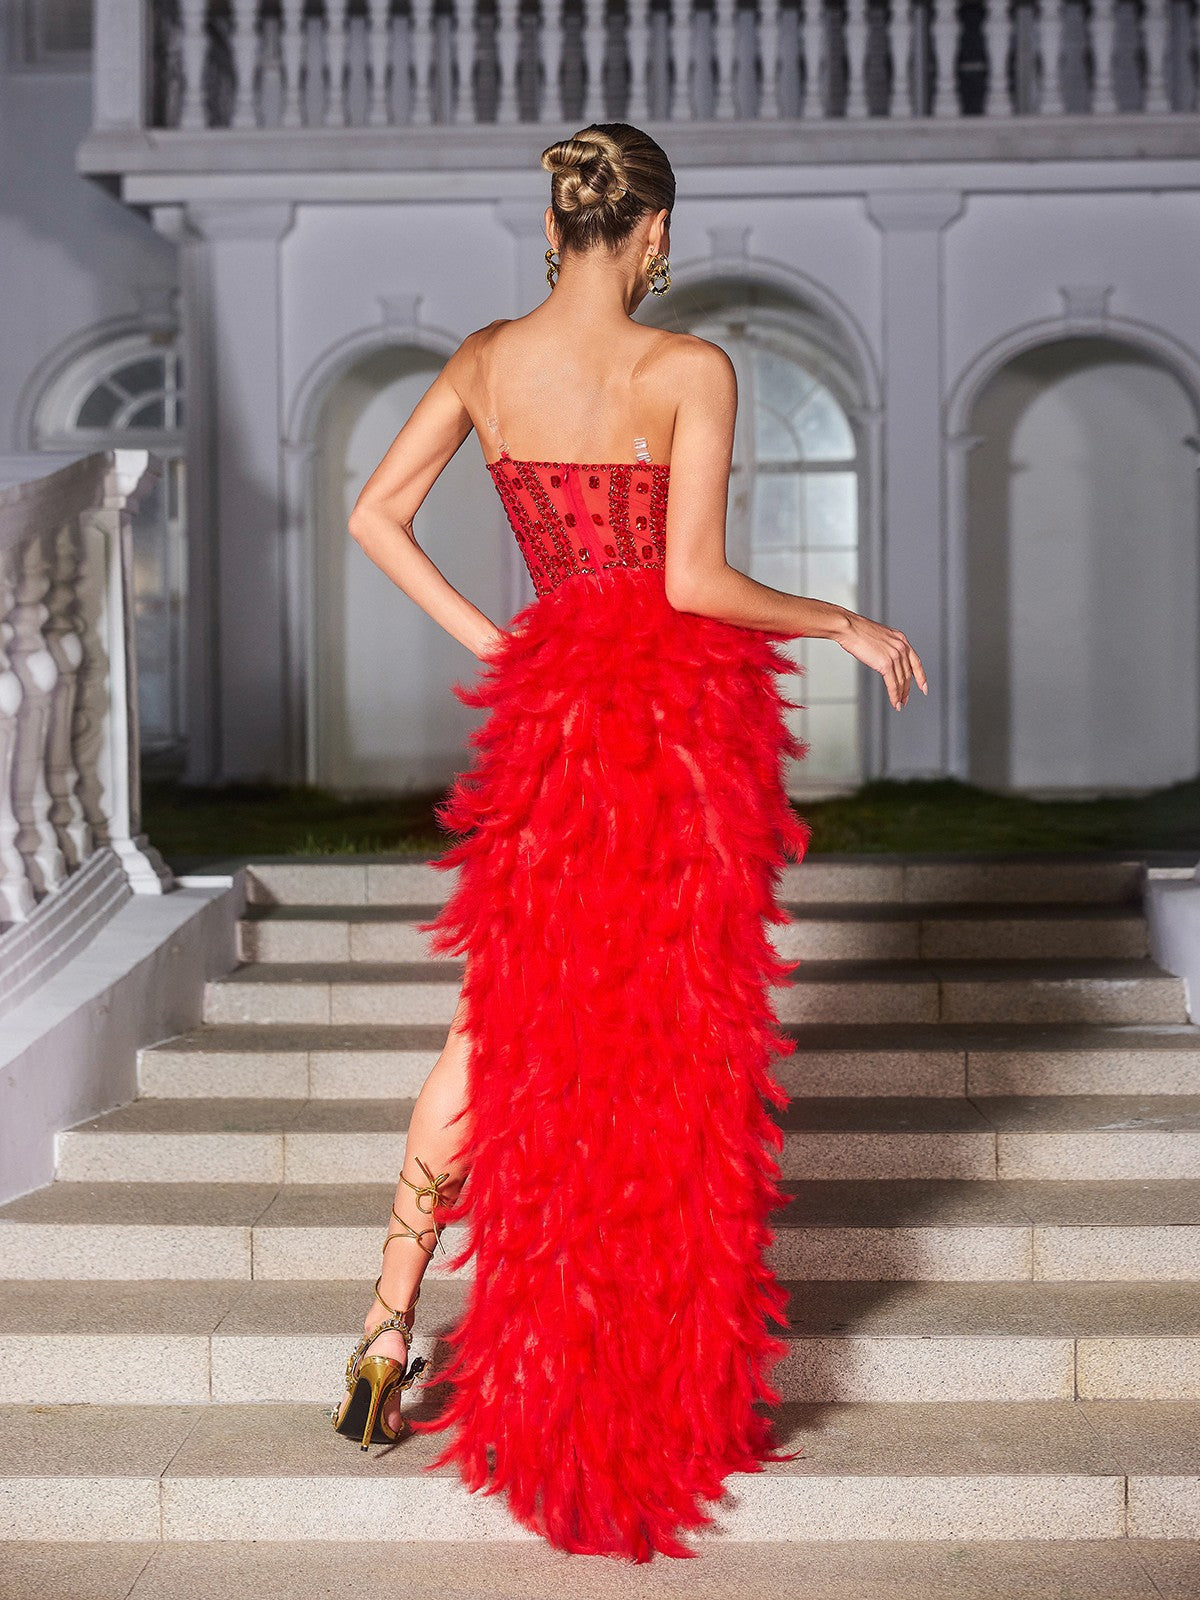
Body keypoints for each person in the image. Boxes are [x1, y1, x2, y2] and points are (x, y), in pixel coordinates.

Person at [330, 121, 928, 1561]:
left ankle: (382, 1334)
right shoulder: (690, 369)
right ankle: (641, 1373)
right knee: (663, 1066)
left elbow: (374, 513)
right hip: (663, 744)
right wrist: (846, 620)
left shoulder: (485, 358)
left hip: (550, 737)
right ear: (655, 233)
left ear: (563, 221)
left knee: (498, 1034)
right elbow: (697, 580)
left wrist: (511, 644)